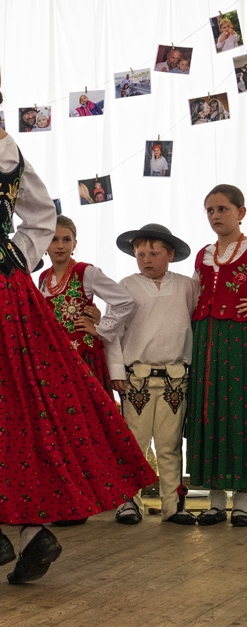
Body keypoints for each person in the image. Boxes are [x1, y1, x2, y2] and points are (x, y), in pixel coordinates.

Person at [0, 42, 154, 585]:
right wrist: (15, 255)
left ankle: (1, 534)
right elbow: (42, 216)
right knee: (9, 403)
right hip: (10, 291)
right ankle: (14, 534)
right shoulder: (10, 147)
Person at [106, 223, 197, 526]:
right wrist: (116, 370)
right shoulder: (126, 286)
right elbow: (113, 331)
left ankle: (173, 505)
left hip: (175, 378)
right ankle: (129, 502)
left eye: (154, 254)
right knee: (134, 442)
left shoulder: (186, 286)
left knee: (170, 445)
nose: (146, 260)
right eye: (140, 254)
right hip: (137, 378)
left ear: (170, 254)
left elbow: (197, 321)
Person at [185, 184, 247, 528]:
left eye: (222, 209)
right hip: (205, 340)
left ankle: (243, 502)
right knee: (208, 412)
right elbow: (192, 295)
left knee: (239, 412)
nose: (215, 215)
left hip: (240, 341)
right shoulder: (203, 254)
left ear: (241, 212)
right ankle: (215, 501)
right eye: (210, 210)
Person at [38, 215, 134, 398]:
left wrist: (100, 328)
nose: (60, 245)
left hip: (83, 355)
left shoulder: (86, 272)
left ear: (74, 244)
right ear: (44, 244)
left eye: (66, 240)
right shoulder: (43, 278)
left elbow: (125, 300)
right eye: (54, 239)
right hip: (55, 356)